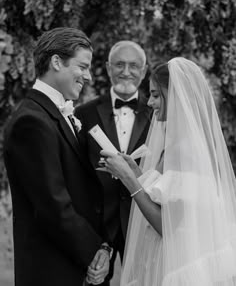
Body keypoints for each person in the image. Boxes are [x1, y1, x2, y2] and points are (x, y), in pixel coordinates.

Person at [101, 57, 236, 285]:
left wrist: (127, 179)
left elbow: (168, 226)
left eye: (156, 95)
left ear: (175, 96)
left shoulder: (186, 150)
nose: (150, 103)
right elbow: (165, 198)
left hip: (177, 265)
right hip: (162, 257)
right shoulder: (176, 144)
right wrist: (134, 170)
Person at [3, 27, 112, 286]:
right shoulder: (31, 121)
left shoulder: (52, 113)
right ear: (56, 62)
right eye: (82, 66)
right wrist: (95, 251)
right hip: (50, 271)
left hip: (69, 266)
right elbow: (53, 205)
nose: (87, 76)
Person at [74, 41, 152, 285]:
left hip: (143, 220)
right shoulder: (83, 113)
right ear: (108, 68)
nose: (126, 71)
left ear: (144, 69)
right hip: (96, 223)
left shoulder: (159, 113)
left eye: (133, 65)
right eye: (119, 64)